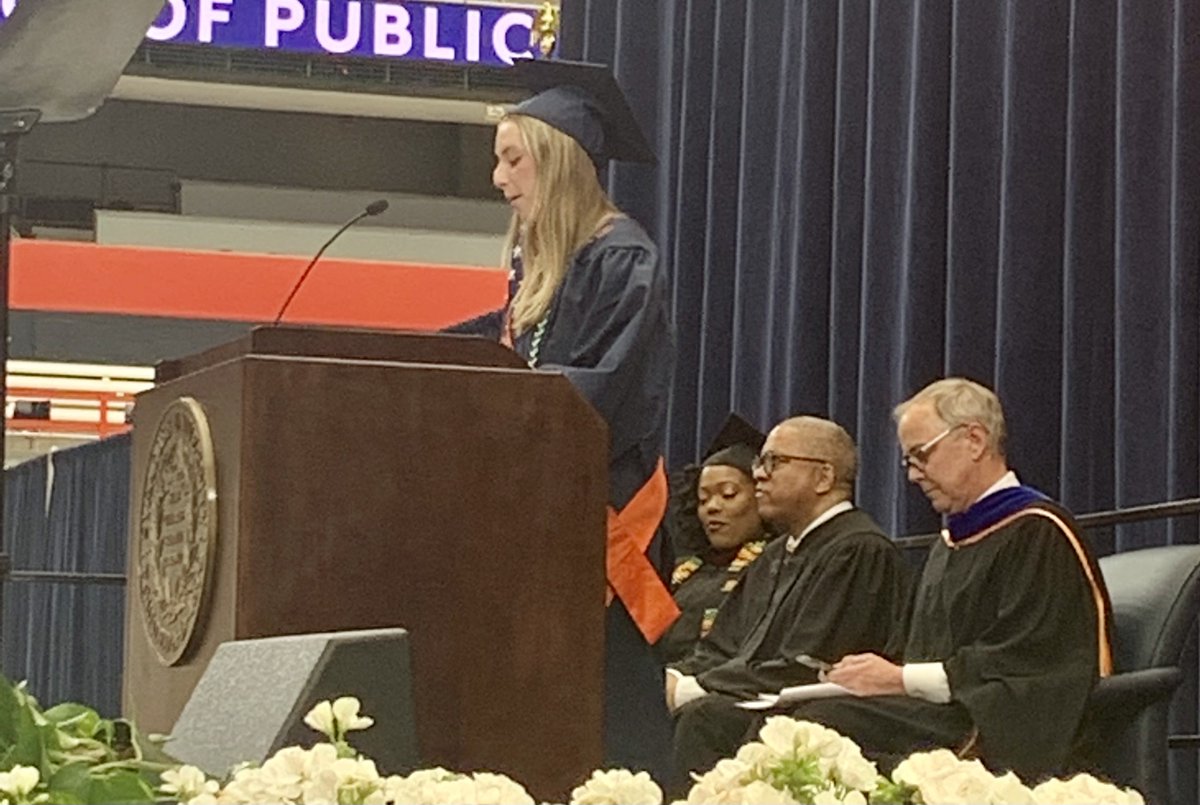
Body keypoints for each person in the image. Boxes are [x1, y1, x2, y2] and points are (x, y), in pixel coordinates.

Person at [448, 60, 676, 776]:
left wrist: (500, 401)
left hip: (607, 514)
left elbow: (604, 387)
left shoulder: (623, 258)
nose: (499, 179)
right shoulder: (544, 270)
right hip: (547, 513)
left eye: (512, 158)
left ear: (557, 161)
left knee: (609, 715)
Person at [794, 378, 1113, 781]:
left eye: (921, 455)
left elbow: (1026, 659)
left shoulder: (1037, 531)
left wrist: (901, 679)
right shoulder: (951, 542)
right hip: (942, 711)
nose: (913, 475)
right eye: (908, 461)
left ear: (975, 440)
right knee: (790, 727)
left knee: (818, 729)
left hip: (1001, 724)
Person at [667, 416, 911, 780]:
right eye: (759, 464)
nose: (760, 475)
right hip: (753, 698)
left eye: (774, 462)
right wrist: (675, 678)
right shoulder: (775, 554)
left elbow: (809, 661)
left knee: (706, 719)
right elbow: (722, 645)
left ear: (824, 477)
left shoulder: (858, 550)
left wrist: (696, 688)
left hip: (817, 712)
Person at [657, 442, 772, 665]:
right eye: (703, 499)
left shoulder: (774, 567)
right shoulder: (680, 569)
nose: (712, 507)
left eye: (728, 494)